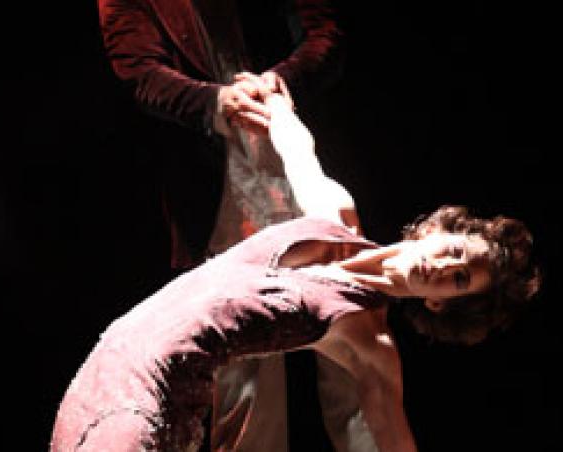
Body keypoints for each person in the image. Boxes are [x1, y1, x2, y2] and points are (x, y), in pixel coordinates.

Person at [49, 92, 541, 451]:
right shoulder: (334, 211)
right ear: (432, 231)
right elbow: (298, 150)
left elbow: (394, 439)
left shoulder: (371, 344)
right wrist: (274, 99)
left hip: (161, 390)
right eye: (455, 251)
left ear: (440, 303)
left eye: (459, 280)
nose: (446, 267)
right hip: (119, 351)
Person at [97, 2, 348, 449]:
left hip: (307, 163)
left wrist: (282, 80)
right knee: (248, 385)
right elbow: (139, 72)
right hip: (221, 189)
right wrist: (216, 102)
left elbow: (325, 32)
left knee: (354, 355)